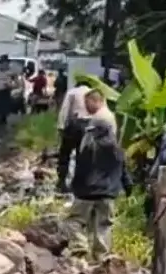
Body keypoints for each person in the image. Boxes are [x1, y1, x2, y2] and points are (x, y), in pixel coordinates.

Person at [69, 89, 132, 256]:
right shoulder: (117, 150)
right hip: (107, 194)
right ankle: (101, 257)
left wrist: (74, 188)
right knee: (103, 226)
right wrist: (128, 188)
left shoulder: (88, 148)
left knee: (75, 221)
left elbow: (80, 170)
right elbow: (123, 171)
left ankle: (80, 246)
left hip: (86, 193)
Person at [56, 75, 92, 191]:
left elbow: (65, 110)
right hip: (88, 126)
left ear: (77, 85)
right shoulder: (93, 93)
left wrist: (61, 127)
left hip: (74, 125)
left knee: (65, 153)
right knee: (84, 157)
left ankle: (62, 182)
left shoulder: (72, 92)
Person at [0, 55, 19, 138]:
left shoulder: (12, 73)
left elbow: (18, 84)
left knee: (3, 116)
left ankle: (1, 135)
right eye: (2, 63)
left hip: (5, 94)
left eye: (5, 63)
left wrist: (10, 86)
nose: (4, 64)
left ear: (8, 63)